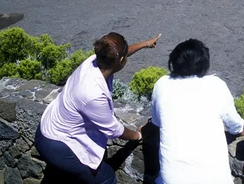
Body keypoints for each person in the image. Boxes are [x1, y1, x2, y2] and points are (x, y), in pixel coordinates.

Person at [35, 31, 161, 184]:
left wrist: (145, 43)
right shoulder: (93, 93)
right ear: (121, 60)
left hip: (46, 130)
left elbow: (120, 53)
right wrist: (138, 135)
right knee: (106, 178)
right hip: (58, 146)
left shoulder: (93, 62)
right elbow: (113, 129)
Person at [151, 39, 244, 184]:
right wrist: (242, 129)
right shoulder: (216, 86)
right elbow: (236, 127)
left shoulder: (162, 84)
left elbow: (157, 122)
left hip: (173, 179)